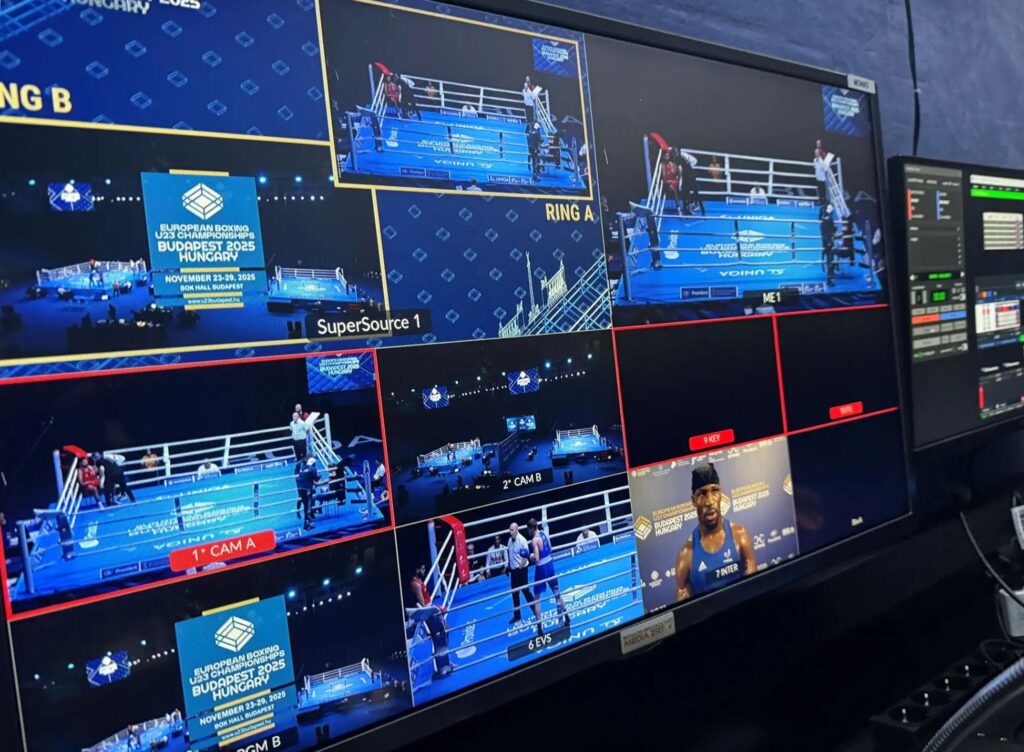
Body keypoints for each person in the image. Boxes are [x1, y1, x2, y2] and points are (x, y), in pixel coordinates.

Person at [675, 464, 756, 601]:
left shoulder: (740, 535)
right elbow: (685, 610)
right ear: (694, 500)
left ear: (721, 495)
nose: (710, 501)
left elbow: (754, 591)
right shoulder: (686, 556)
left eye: (715, 491)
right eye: (702, 494)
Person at [409, 564, 452, 678]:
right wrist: (437, 609)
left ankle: (445, 662)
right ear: (417, 569)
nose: (424, 570)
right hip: (429, 614)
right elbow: (423, 606)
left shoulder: (419, 581)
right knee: (443, 633)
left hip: (431, 610)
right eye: (422, 568)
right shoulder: (415, 584)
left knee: (445, 632)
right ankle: (442, 665)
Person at [527, 519, 569, 627]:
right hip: (550, 565)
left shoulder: (535, 540)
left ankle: (539, 628)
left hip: (541, 568)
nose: (528, 532)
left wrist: (529, 556)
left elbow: (536, 558)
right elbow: (550, 548)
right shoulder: (544, 534)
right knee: (557, 593)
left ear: (532, 528)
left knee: (537, 598)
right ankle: (566, 616)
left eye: (528, 529)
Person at [507, 522, 543, 634]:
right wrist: (509, 567)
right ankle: (517, 615)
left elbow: (525, 557)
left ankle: (536, 612)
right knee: (514, 593)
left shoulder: (522, 540)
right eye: (509, 530)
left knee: (526, 592)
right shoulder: (509, 541)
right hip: (514, 570)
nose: (510, 532)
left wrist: (519, 568)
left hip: (521, 570)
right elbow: (510, 555)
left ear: (517, 530)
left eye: (512, 530)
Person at [295, 456, 321, 530]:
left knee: (306, 505)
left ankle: (307, 521)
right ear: (314, 463)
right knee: (307, 505)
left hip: (300, 487)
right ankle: (306, 523)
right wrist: (320, 475)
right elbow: (316, 478)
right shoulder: (312, 469)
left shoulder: (303, 467)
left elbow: (301, 476)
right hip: (306, 488)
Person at [677, 148, 705, 215]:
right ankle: (701, 210)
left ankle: (688, 209)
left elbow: (680, 170)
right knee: (692, 193)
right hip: (690, 175)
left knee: (687, 193)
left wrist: (680, 182)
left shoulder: (680, 157)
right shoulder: (684, 157)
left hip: (688, 176)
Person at [820, 204, 837, 286]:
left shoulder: (823, 220)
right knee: (830, 260)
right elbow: (833, 230)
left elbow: (823, 232)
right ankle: (830, 279)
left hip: (825, 242)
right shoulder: (830, 220)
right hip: (829, 242)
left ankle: (830, 277)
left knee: (829, 260)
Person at [813, 140, 834, 206]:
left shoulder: (822, 161)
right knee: (819, 190)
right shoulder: (814, 160)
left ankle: (824, 201)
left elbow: (825, 168)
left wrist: (823, 168)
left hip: (822, 178)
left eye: (816, 153)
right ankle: (820, 200)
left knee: (823, 190)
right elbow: (815, 166)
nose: (816, 154)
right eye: (815, 153)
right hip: (817, 177)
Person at [661, 148, 682, 214]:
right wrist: (672, 181)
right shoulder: (662, 165)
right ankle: (678, 208)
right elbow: (664, 178)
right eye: (665, 156)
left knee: (685, 186)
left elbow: (676, 174)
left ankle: (689, 206)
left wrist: (678, 171)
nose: (667, 157)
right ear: (663, 157)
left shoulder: (672, 164)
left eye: (667, 155)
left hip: (675, 182)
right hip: (668, 184)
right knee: (674, 190)